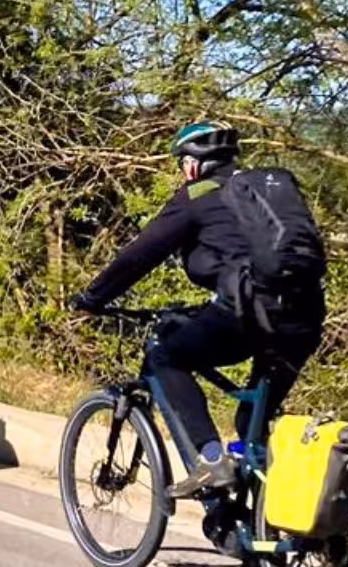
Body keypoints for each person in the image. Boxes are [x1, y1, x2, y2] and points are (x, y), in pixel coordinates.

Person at [71, 122, 327, 496]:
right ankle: (261, 530)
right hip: (303, 319)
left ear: (192, 165)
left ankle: (210, 459)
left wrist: (92, 299)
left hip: (247, 315)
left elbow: (141, 255)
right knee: (250, 425)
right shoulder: (265, 192)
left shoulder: (197, 195)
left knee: (166, 355)